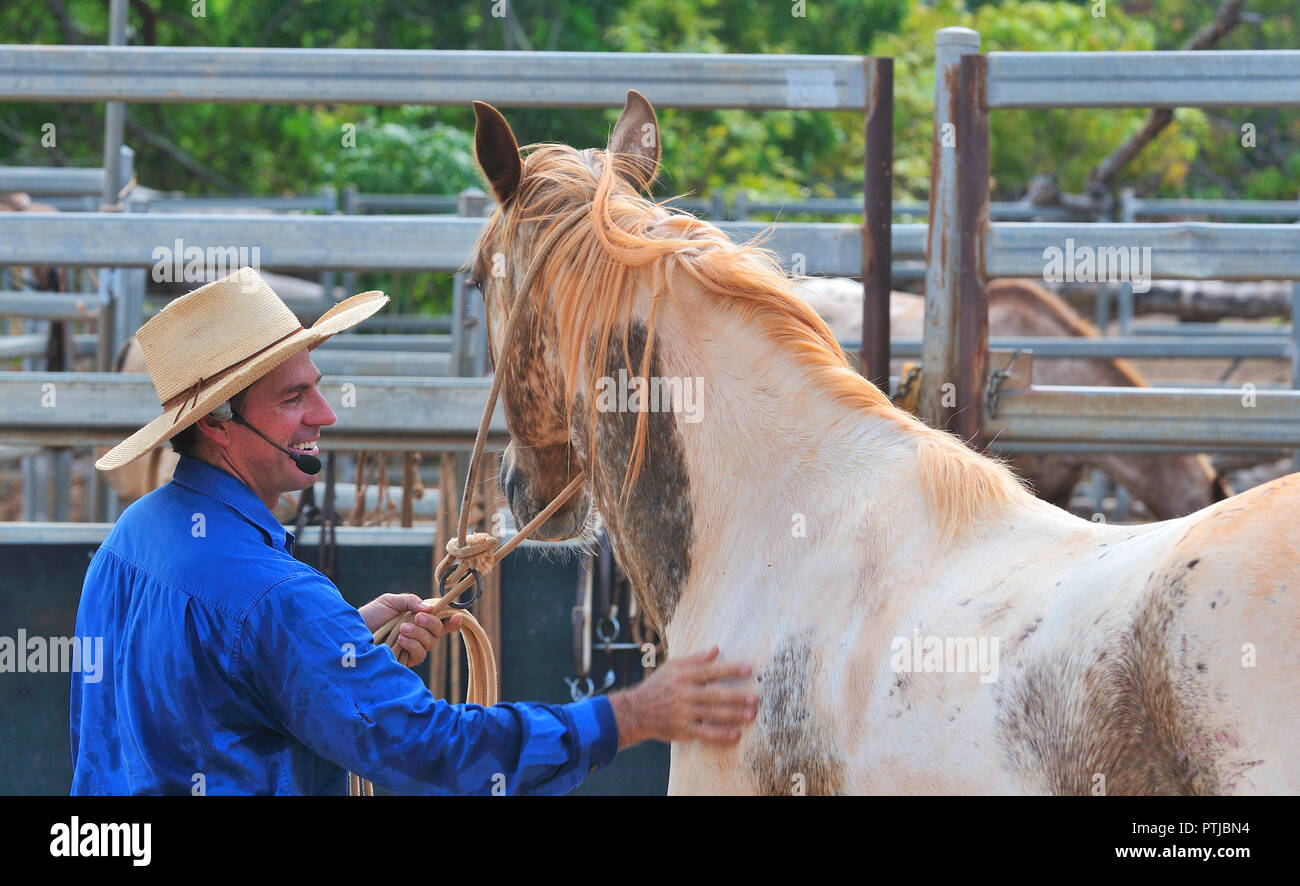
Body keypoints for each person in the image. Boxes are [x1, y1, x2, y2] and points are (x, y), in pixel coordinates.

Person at [71, 268, 757, 795]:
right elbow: (434, 755)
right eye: (292, 398)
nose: (324, 415)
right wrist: (631, 716)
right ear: (218, 425)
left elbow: (197, 700)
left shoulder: (129, 541)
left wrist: (343, 647)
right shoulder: (276, 601)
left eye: (315, 386)